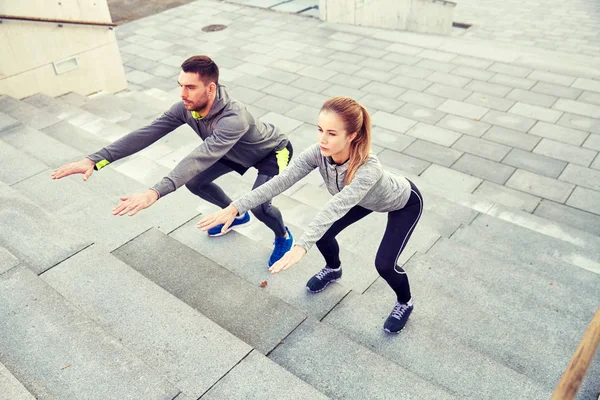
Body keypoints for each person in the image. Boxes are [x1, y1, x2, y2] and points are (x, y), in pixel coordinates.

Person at [198, 97, 424, 334]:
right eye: (320, 130)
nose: (323, 139)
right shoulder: (318, 153)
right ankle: (334, 268)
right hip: (360, 198)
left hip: (402, 204)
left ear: (352, 136)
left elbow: (335, 207)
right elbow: (281, 181)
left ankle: (405, 302)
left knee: (385, 265)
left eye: (332, 133)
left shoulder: (369, 168)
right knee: (324, 235)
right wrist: (235, 207)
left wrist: (301, 246)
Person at [51, 55, 295, 266]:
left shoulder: (233, 118)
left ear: (210, 89)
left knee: (259, 205)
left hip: (270, 153)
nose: (182, 94)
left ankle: (283, 235)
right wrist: (95, 160)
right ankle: (235, 215)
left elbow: (199, 158)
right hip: (231, 152)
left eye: (190, 87)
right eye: (181, 85)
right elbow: (146, 134)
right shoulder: (185, 108)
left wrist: (154, 193)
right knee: (196, 183)